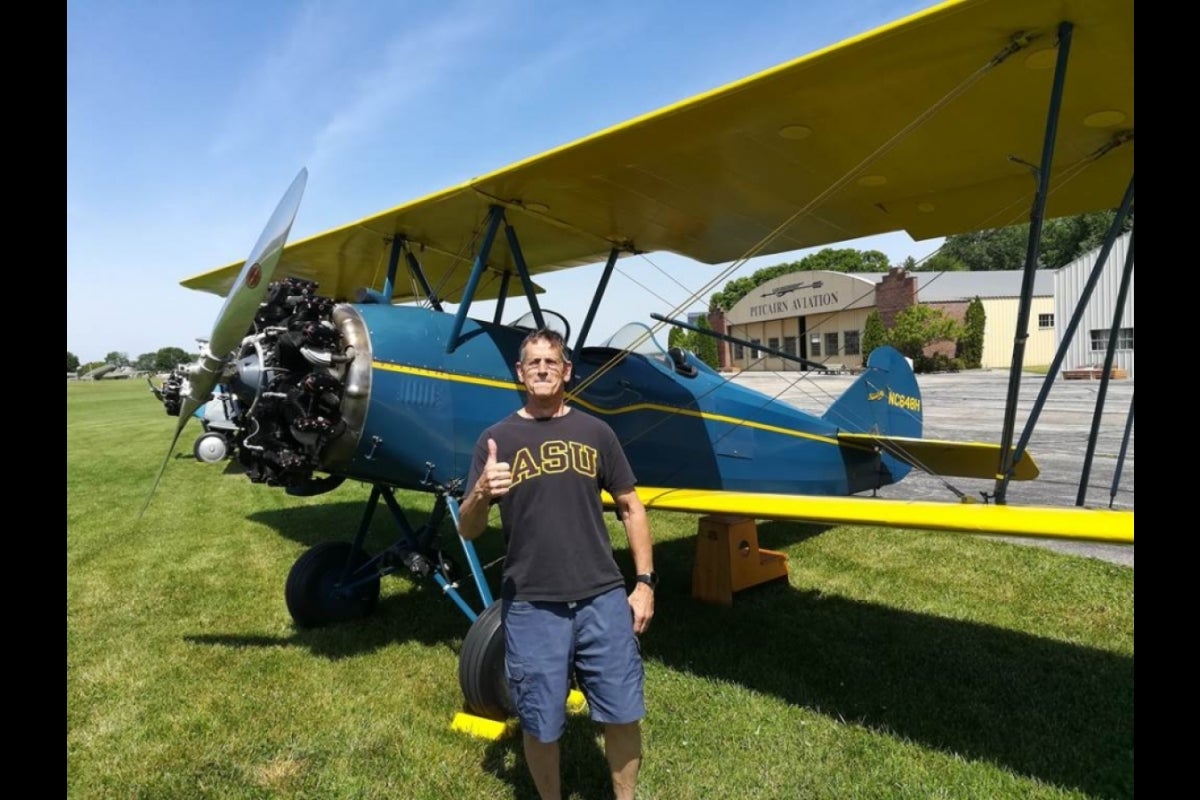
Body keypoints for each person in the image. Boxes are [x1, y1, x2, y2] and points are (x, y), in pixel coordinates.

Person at [457, 328, 655, 800]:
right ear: (520, 373)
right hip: (531, 603)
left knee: (623, 711)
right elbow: (468, 528)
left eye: (552, 361)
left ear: (567, 371)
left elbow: (631, 506)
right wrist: (482, 493)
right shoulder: (495, 440)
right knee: (540, 722)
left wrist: (644, 582)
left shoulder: (596, 432)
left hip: (602, 596)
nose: (543, 369)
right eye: (533, 362)